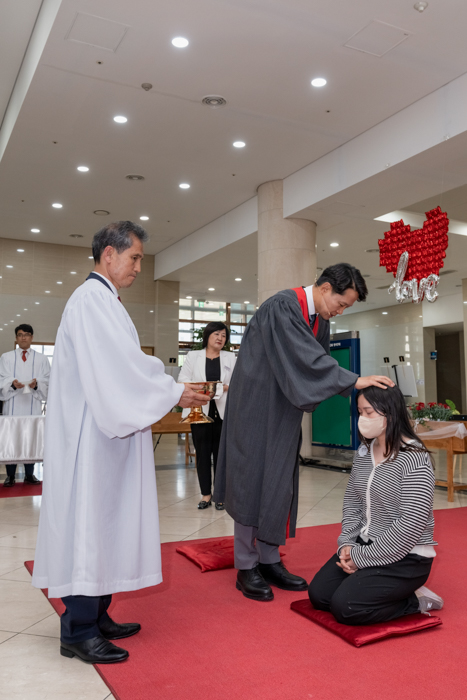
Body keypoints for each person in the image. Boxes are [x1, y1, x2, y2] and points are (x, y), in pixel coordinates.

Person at [32, 221, 209, 665]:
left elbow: (127, 366)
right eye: (133, 258)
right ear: (107, 255)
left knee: (105, 525)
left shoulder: (104, 301)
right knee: (90, 528)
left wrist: (166, 388)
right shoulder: (92, 300)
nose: (137, 267)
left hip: (105, 436)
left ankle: (98, 613)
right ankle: (78, 630)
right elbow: (121, 369)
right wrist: (173, 390)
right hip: (90, 442)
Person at [214, 263, 394, 602]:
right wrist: (353, 380)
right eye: (341, 304)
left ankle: (269, 560)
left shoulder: (319, 319)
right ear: (325, 288)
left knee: (279, 483)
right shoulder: (282, 306)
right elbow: (306, 359)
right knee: (251, 482)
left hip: (283, 410)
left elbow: (315, 361)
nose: (340, 311)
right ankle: (246, 566)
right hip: (255, 408)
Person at [308, 385, 443, 624]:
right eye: (360, 411)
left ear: (389, 412)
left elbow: (411, 524)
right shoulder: (364, 452)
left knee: (346, 608)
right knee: (319, 595)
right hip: (366, 542)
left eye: (369, 412)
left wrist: (361, 558)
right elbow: (352, 501)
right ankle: (376, 586)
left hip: (407, 556)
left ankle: (415, 601)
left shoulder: (414, 457)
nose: (362, 419)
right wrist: (347, 544)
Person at [178, 322, 236, 510]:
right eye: (216, 334)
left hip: (223, 414)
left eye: (224, 335)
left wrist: (216, 388)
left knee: (221, 455)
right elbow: (183, 381)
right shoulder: (193, 356)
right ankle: (206, 495)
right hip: (199, 412)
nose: (220, 338)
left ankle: (220, 495)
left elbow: (236, 383)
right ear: (208, 336)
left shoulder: (230, 357)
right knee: (202, 454)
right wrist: (218, 388)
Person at [0, 324, 50, 486]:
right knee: (11, 439)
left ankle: (30, 474)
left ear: (32, 337)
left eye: (27, 334)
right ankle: (10, 475)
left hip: (32, 404)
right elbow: (2, 379)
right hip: (12, 405)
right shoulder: (6, 357)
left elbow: (48, 380)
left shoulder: (41, 359)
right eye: (20, 335)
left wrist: (36, 385)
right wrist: (12, 384)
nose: (23, 337)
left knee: (31, 437)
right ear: (16, 337)